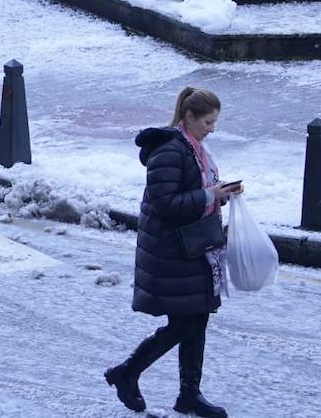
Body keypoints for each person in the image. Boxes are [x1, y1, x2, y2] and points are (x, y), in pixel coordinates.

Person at [105, 87, 241, 417]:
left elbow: (193, 195)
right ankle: (128, 372)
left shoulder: (194, 149)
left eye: (215, 122)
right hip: (173, 253)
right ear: (189, 117)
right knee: (184, 325)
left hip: (194, 250)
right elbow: (165, 204)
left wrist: (221, 195)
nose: (212, 128)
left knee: (198, 320)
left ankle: (189, 394)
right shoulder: (170, 151)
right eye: (208, 121)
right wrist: (211, 195)